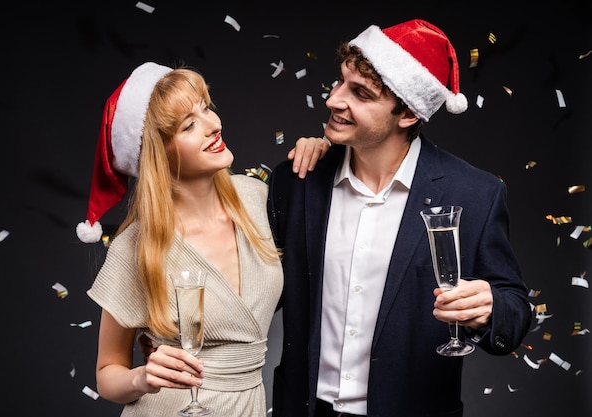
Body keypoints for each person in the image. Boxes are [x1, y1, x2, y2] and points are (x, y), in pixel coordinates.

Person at [267, 19, 532, 417]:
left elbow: (514, 315)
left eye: (360, 93)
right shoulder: (299, 179)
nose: (334, 100)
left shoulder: (475, 194)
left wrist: (491, 307)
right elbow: (254, 289)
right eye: (340, 82)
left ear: (407, 113)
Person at [76, 62, 326, 417]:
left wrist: (323, 154)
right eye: (189, 125)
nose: (213, 125)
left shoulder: (257, 199)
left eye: (206, 107)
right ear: (158, 155)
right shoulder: (136, 245)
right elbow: (107, 375)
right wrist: (143, 378)